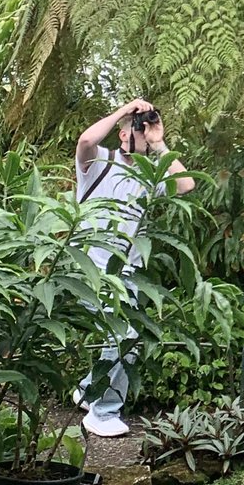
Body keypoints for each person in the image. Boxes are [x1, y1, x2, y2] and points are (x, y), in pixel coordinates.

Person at [74, 98, 195, 437]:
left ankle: (87, 390)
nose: (140, 133)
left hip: (128, 274)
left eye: (143, 129)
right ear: (122, 133)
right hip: (92, 269)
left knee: (126, 338)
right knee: (123, 337)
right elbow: (85, 140)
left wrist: (159, 143)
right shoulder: (99, 163)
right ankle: (102, 412)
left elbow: (186, 185)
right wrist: (123, 111)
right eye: (136, 129)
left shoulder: (148, 176)